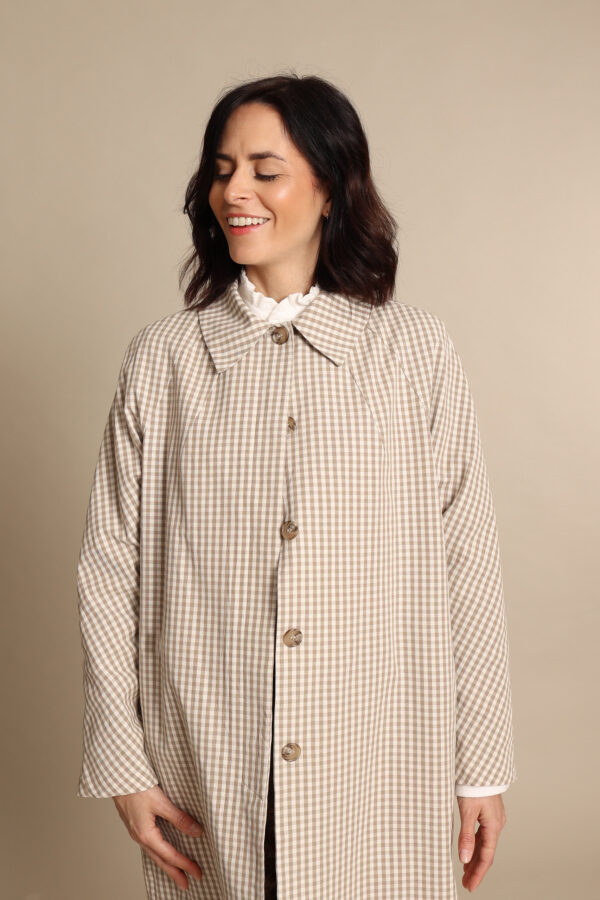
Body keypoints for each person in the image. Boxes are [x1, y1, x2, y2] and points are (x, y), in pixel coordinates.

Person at [75, 73, 517, 900]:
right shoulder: (164, 361)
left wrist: (482, 764)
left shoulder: (415, 353)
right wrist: (124, 766)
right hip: (206, 753)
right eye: (221, 170)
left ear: (331, 188)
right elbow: (108, 568)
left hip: (379, 755)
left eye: (265, 170)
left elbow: (468, 562)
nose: (233, 191)